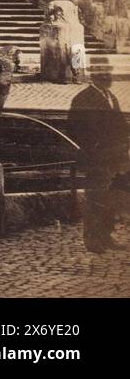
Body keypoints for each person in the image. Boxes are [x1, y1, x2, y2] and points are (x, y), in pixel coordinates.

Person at [68, 67, 129, 252]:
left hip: (115, 157)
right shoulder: (84, 98)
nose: (108, 78)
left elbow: (119, 124)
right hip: (96, 159)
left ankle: (106, 236)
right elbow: (74, 128)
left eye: (109, 74)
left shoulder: (109, 96)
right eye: (104, 75)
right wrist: (93, 148)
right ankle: (93, 240)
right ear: (95, 77)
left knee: (111, 198)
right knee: (95, 198)